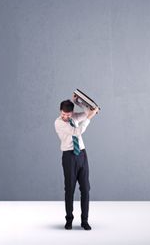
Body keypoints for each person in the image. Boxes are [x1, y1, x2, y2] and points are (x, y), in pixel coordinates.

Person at [54, 95, 98, 230]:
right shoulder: (59, 123)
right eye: (63, 113)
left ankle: (84, 220)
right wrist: (90, 118)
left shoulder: (74, 117)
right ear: (60, 111)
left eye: (68, 114)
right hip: (69, 157)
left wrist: (77, 102)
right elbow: (77, 131)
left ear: (71, 113)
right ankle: (69, 220)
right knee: (70, 190)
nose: (65, 117)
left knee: (85, 189)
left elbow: (87, 112)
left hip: (82, 155)